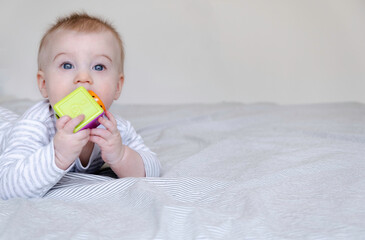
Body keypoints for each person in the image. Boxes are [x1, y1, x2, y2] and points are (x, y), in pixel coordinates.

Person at [0, 12, 161, 200]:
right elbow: (7, 187)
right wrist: (57, 156)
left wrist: (121, 155)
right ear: (44, 84)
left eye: (99, 67)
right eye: (67, 65)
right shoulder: (36, 126)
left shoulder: (114, 129)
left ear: (118, 87)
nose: (83, 77)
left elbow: (153, 168)